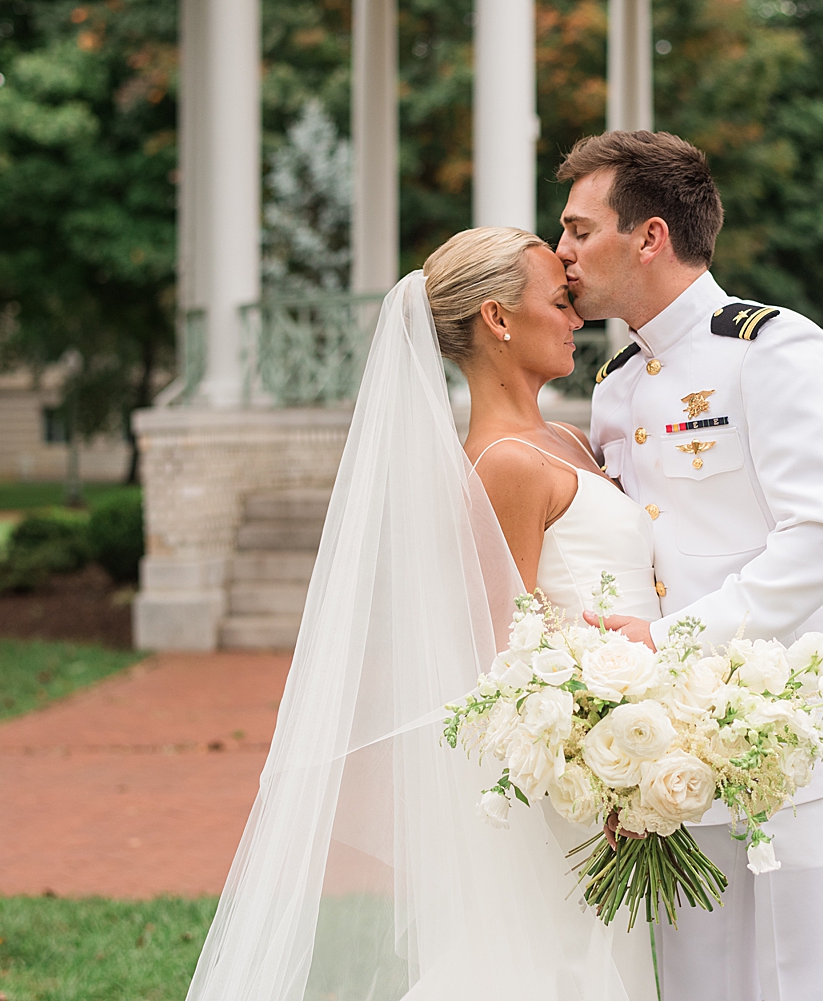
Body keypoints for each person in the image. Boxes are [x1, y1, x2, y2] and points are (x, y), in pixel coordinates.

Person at [185, 227, 661, 1001]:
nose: (577, 318)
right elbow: (504, 655)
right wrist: (602, 768)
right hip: (575, 780)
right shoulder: (506, 465)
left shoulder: (568, 440)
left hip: (623, 745)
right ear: (499, 320)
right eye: (560, 301)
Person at [554, 130, 823, 1001]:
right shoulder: (616, 381)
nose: (560, 252)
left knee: (809, 985)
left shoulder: (772, 348)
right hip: (673, 752)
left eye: (577, 229)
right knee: (703, 985)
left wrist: (672, 643)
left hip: (802, 738)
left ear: (649, 237)